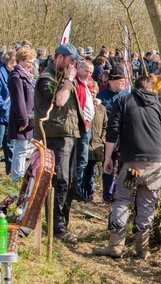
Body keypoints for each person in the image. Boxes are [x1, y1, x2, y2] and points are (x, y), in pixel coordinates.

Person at [93, 75, 161, 259]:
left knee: (123, 200)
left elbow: (112, 131)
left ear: (134, 88)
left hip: (132, 164)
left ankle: (115, 246)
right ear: (151, 89)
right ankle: (142, 250)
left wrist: (108, 158)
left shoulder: (123, 101)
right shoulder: (160, 109)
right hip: (154, 164)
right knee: (147, 205)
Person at [33, 43, 85, 244]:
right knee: (59, 181)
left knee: (70, 182)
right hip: (54, 136)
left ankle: (64, 222)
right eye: (71, 61)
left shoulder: (63, 78)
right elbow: (60, 101)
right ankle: (57, 227)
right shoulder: (46, 79)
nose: (73, 65)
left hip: (70, 135)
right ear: (60, 57)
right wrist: (69, 80)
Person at [97, 65, 129, 203]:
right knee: (108, 163)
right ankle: (107, 194)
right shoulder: (101, 95)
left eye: (123, 82)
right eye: (119, 82)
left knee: (122, 165)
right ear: (110, 81)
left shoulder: (126, 96)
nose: (121, 84)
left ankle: (118, 191)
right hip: (107, 135)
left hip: (123, 135)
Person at [8, 47, 36, 182]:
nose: (30, 64)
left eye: (32, 61)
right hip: (22, 119)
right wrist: (23, 121)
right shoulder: (16, 76)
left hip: (30, 118)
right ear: (21, 60)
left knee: (28, 149)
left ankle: (25, 177)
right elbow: (19, 100)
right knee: (20, 150)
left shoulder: (29, 76)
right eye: (28, 61)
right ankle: (17, 178)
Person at [82, 81, 107, 202]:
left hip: (96, 144)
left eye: (94, 92)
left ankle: (90, 193)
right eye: (90, 92)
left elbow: (106, 126)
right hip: (84, 143)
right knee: (82, 168)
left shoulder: (101, 109)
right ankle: (81, 193)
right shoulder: (83, 106)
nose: (92, 94)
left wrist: (102, 139)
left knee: (91, 170)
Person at [74, 61, 95, 201]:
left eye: (91, 72)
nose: (89, 74)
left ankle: (79, 190)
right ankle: (77, 192)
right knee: (81, 160)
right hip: (81, 126)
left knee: (84, 160)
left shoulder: (86, 83)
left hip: (87, 125)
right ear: (79, 68)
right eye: (86, 71)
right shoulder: (76, 84)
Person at [0, 50, 15, 175]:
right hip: (2, 114)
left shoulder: (11, 73)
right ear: (10, 63)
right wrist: (3, 107)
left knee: (9, 145)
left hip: (9, 114)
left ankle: (10, 172)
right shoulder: (1, 73)